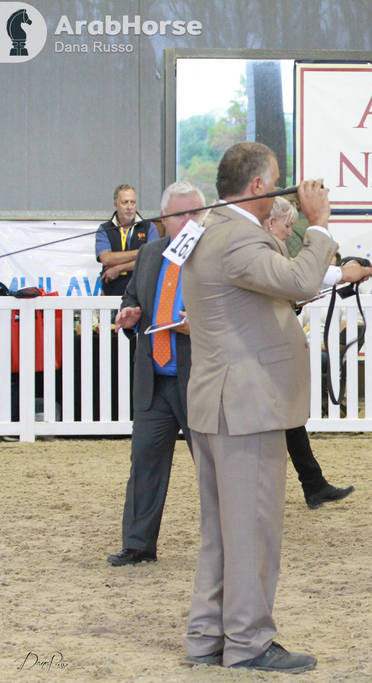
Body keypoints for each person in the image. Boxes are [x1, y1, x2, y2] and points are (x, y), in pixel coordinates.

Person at [180, 141, 372, 672]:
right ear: (259, 186)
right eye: (276, 178)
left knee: (223, 532)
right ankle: (247, 642)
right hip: (247, 405)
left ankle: (207, 636)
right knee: (253, 530)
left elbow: (276, 291)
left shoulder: (210, 229)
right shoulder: (239, 235)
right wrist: (320, 225)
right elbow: (298, 279)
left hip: (223, 404)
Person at [106, 181, 205, 567]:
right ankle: (138, 545)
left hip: (198, 381)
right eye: (182, 214)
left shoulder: (212, 256)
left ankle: (231, 545)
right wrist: (129, 315)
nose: (190, 221)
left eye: (197, 213)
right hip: (154, 380)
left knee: (213, 468)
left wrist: (199, 325)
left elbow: (229, 313)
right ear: (164, 218)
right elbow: (132, 298)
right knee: (144, 464)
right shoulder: (149, 254)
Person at [264, 196, 355, 510]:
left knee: (288, 419)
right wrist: (343, 274)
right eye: (287, 225)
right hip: (262, 354)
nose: (290, 232)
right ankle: (308, 485)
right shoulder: (264, 251)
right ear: (271, 222)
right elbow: (292, 278)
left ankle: (313, 484)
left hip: (271, 351)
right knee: (278, 422)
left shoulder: (270, 251)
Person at [95, 184, 160, 296]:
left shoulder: (149, 227)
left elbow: (152, 259)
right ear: (116, 204)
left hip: (142, 295)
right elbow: (106, 259)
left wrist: (119, 268)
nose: (129, 207)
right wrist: (143, 252)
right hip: (113, 294)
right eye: (125, 202)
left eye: (132, 202)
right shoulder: (105, 229)